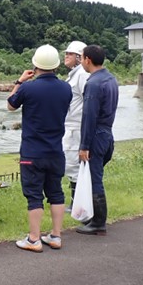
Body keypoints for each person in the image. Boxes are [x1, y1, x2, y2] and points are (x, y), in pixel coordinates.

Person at [6, 45, 72, 252]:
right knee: (56, 192)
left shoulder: (28, 88)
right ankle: (55, 235)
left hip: (32, 152)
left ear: (35, 65)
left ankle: (34, 239)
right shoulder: (66, 88)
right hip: (55, 150)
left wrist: (19, 82)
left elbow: (10, 106)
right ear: (57, 65)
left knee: (34, 195)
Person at [75, 45, 119, 236]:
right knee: (96, 175)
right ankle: (94, 217)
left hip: (96, 135)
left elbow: (89, 116)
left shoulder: (93, 84)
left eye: (81, 58)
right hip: (108, 133)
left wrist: (84, 145)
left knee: (94, 177)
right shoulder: (110, 79)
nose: (81, 61)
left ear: (88, 60)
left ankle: (98, 222)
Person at [61, 41, 89, 211]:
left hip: (76, 127)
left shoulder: (82, 76)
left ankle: (76, 203)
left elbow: (87, 101)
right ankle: (75, 202)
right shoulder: (74, 75)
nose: (66, 56)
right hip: (71, 126)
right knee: (71, 164)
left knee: (74, 165)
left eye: (69, 54)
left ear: (79, 57)